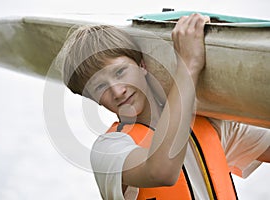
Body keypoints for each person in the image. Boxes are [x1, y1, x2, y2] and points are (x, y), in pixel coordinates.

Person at [60, 13, 270, 199]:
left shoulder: (209, 126)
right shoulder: (109, 149)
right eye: (100, 87)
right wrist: (188, 66)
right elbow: (161, 171)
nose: (117, 91)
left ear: (141, 65)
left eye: (120, 72)